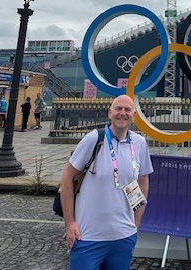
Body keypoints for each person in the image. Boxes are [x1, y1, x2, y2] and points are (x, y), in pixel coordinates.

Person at [60, 95, 153, 270]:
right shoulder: (94, 139)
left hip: (123, 237)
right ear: (110, 113)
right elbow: (67, 177)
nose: (122, 113)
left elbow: (142, 183)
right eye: (118, 109)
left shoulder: (139, 144)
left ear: (134, 116)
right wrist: (70, 223)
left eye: (127, 110)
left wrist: (136, 224)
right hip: (88, 236)